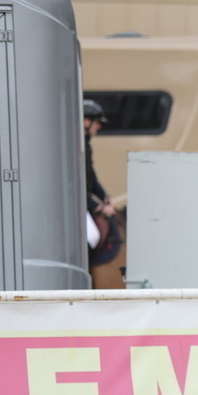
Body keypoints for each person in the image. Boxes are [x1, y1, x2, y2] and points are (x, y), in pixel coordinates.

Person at [83, 99, 122, 268]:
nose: (98, 127)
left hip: (85, 200)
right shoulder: (72, 145)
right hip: (77, 202)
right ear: (86, 121)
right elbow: (75, 185)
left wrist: (105, 197)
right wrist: (95, 207)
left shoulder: (86, 145)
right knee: (92, 236)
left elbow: (91, 177)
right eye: (97, 123)